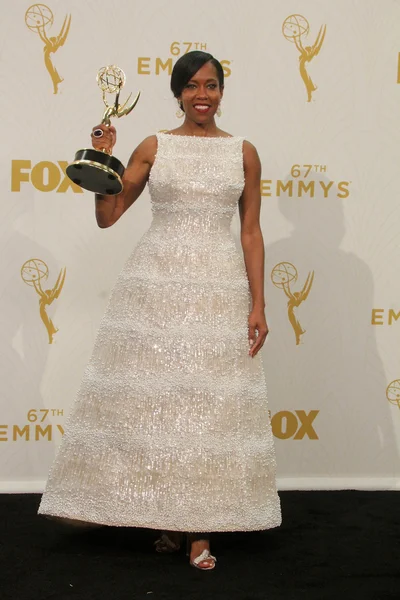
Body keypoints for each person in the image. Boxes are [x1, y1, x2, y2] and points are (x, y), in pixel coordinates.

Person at [38, 51, 282, 571]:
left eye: (211, 85)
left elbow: (251, 232)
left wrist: (259, 302)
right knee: (161, 404)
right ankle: (169, 520)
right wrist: (101, 157)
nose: (202, 94)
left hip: (218, 286)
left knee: (208, 410)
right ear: (177, 92)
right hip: (155, 287)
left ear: (222, 92)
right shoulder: (154, 146)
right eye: (192, 85)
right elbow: (109, 216)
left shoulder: (245, 153)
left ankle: (199, 531)